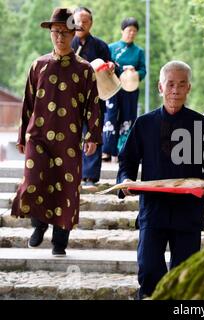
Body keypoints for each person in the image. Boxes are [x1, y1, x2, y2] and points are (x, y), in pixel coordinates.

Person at [117, 60, 204, 299]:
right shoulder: (144, 123)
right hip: (153, 209)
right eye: (170, 84)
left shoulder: (200, 124)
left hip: (188, 212)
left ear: (189, 88)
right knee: (148, 268)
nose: (176, 90)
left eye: (181, 84)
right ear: (160, 87)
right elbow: (127, 161)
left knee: (184, 275)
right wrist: (126, 180)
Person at [11, 8, 102, 256]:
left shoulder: (84, 70)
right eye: (55, 32)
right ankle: (38, 225)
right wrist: (22, 137)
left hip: (69, 140)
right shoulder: (38, 65)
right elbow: (27, 102)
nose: (59, 37)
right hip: (38, 137)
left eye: (64, 32)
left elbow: (93, 104)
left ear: (73, 33)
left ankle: (59, 242)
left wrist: (93, 135)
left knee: (66, 188)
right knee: (33, 182)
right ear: (50, 33)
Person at [72, 6, 112, 190]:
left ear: (91, 23)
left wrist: (111, 66)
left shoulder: (100, 46)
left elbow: (111, 68)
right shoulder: (66, 43)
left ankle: (90, 177)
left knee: (93, 133)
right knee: (71, 134)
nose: (81, 24)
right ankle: (73, 174)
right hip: (71, 98)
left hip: (95, 97)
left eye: (85, 21)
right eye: (78, 21)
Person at [102, 17, 146, 162]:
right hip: (113, 87)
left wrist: (134, 72)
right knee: (110, 115)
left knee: (128, 118)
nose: (131, 33)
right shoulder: (111, 48)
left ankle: (123, 150)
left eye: (134, 31)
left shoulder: (139, 51)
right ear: (122, 31)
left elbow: (143, 70)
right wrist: (117, 69)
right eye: (129, 30)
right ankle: (107, 150)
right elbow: (105, 66)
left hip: (130, 88)